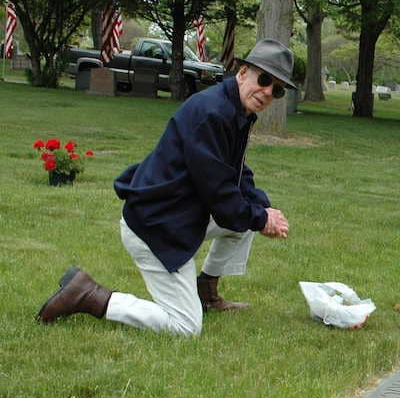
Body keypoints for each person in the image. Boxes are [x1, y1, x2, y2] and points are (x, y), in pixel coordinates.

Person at [38, 39, 295, 336]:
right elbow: (219, 194)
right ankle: (89, 295)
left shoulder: (235, 110)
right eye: (264, 80)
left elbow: (236, 171)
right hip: (156, 225)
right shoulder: (213, 112)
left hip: (179, 213)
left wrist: (263, 208)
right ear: (242, 73)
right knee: (186, 327)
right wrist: (262, 219)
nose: (267, 92)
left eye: (277, 89)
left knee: (244, 222)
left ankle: (206, 293)